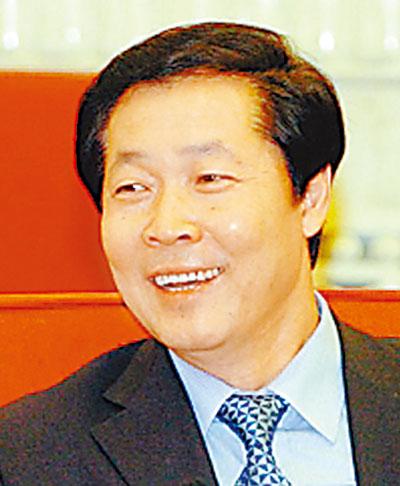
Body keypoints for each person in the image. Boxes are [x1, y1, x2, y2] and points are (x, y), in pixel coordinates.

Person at [0, 22, 398, 486]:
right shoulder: (29, 458)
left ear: (310, 198)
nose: (167, 227)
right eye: (133, 188)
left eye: (210, 179)